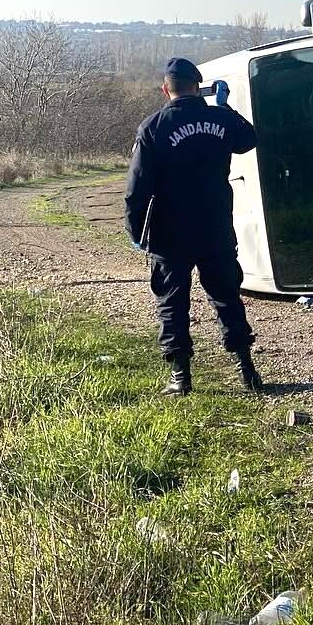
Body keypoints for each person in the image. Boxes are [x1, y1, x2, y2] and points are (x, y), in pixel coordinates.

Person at [125, 57, 264, 395]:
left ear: (165, 90)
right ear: (197, 87)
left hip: (169, 230)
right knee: (226, 295)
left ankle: (180, 377)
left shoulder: (153, 126)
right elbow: (249, 139)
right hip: (215, 224)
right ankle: (247, 370)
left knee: (172, 300)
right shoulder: (218, 117)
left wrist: (135, 229)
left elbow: (137, 186)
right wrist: (224, 108)